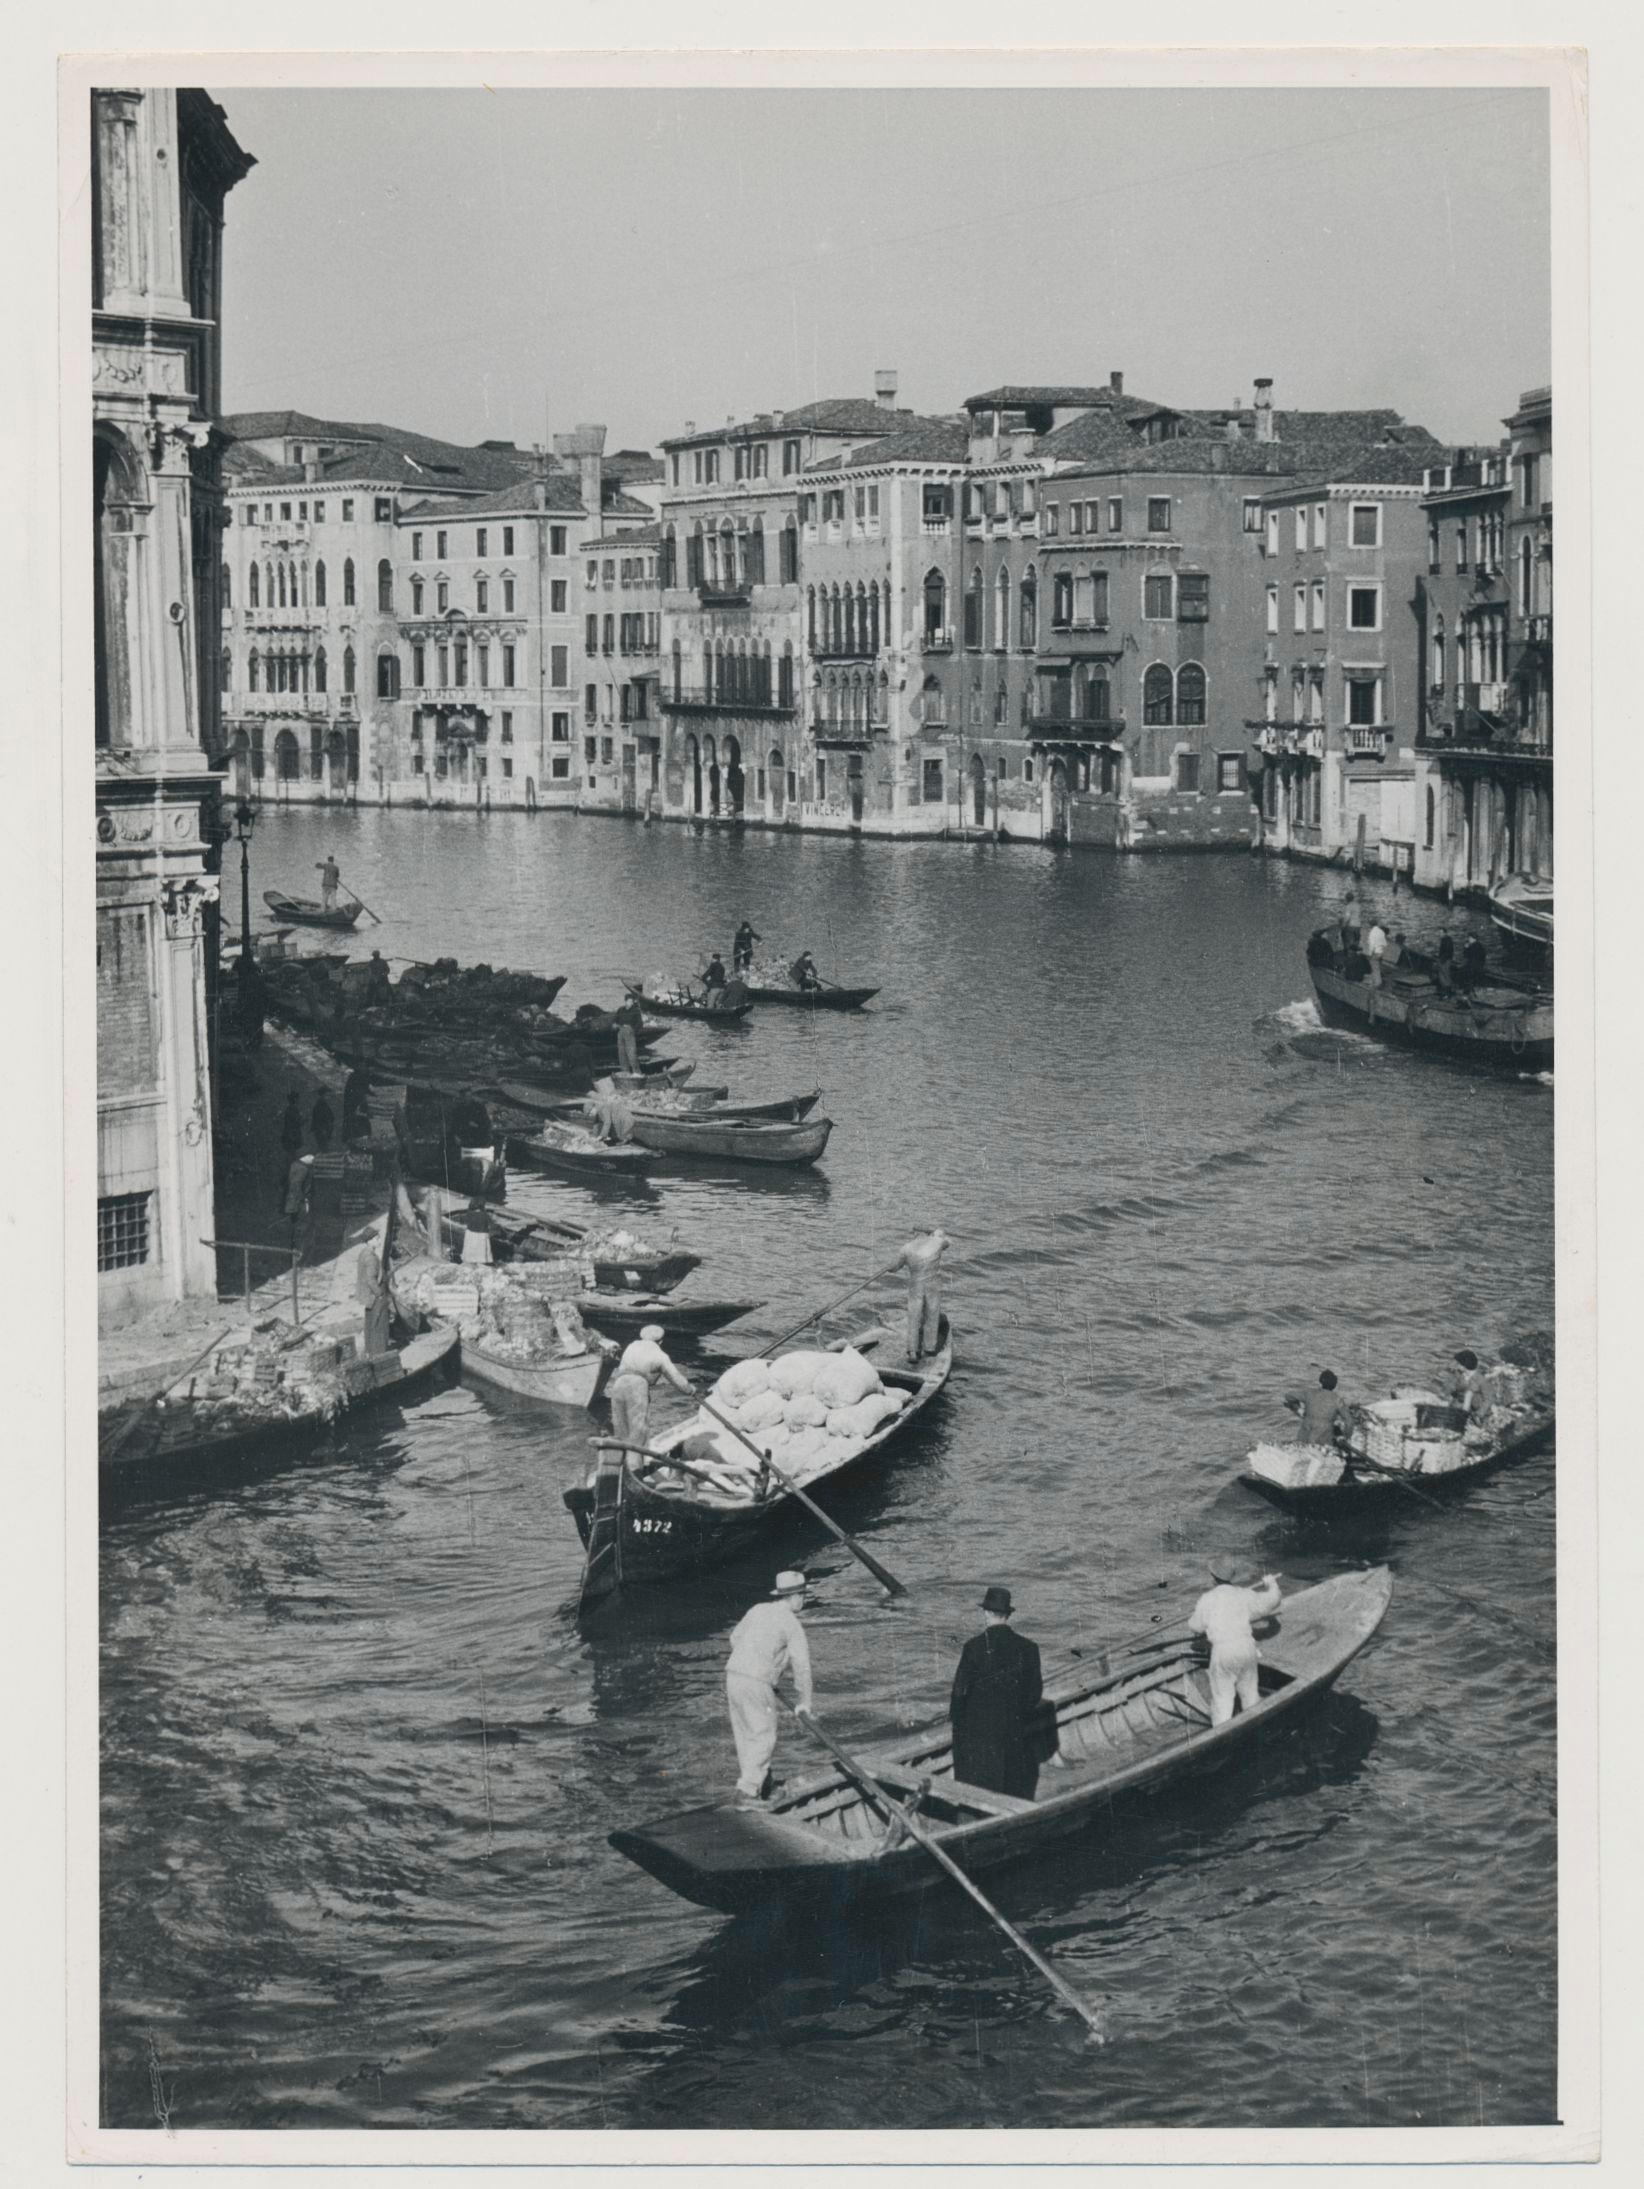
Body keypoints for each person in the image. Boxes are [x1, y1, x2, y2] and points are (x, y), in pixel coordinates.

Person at [725, 1570, 815, 1803]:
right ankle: (746, 1792)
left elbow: (735, 1638)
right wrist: (804, 1703)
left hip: (733, 1674)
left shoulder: (758, 1609)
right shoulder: (792, 1624)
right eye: (802, 1595)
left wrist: (755, 1664)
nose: (803, 1600)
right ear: (795, 1597)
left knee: (746, 1733)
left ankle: (764, 1786)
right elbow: (802, 1667)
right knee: (764, 1735)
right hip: (756, 1681)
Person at [949, 1585, 1044, 1799]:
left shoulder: (972, 1647)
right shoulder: (1029, 1648)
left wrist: (957, 1720)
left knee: (977, 1779)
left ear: (986, 1613)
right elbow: (1034, 1694)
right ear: (1008, 1615)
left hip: (978, 1734)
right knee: (1011, 1783)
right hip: (1013, 1730)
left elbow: (959, 1693)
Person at [1189, 1559, 1283, 1727]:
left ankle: (1221, 1733)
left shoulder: (1207, 1599)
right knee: (1250, 1695)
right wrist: (1271, 1584)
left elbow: (1195, 1626)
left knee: (1222, 1700)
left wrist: (1197, 1616)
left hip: (1223, 1651)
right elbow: (1271, 1602)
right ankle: (1254, 1728)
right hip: (1246, 1648)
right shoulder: (1244, 1594)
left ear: (1213, 1578)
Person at [607, 1322, 693, 1452]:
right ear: (661, 1341)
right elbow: (676, 1379)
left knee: (620, 1431)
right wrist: (690, 1389)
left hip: (618, 1384)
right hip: (637, 1385)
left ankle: (621, 1465)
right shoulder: (660, 1355)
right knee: (638, 1433)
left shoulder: (631, 1346)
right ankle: (636, 1468)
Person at [897, 1227, 952, 1364]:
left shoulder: (906, 1248)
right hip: (933, 1285)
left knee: (914, 1317)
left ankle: (913, 1352)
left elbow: (895, 1267)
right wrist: (938, 1234)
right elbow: (948, 1242)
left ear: (915, 1234)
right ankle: (928, 1348)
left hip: (916, 1286)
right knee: (932, 1315)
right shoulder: (937, 1242)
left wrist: (889, 1267)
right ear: (928, 1234)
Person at [1285, 1369, 1350, 1448]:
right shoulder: (1337, 1399)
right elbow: (1349, 1421)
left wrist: (1298, 1408)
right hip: (1323, 1440)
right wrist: (1346, 1436)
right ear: (1334, 1385)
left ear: (1320, 1382)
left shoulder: (1309, 1393)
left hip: (1304, 1437)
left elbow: (1288, 1396)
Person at [355, 1242, 393, 1357]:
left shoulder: (363, 1253)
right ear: (370, 1240)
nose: (379, 1240)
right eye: (376, 1238)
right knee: (380, 1324)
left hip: (368, 1296)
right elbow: (371, 1280)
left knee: (370, 1323)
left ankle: (370, 1351)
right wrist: (380, 1293)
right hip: (375, 1295)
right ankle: (380, 1352)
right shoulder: (371, 1258)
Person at [283, 1152, 314, 1247]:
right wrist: (305, 1201)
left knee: (296, 1227)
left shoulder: (294, 1165)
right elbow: (297, 1187)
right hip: (301, 1203)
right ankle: (299, 1252)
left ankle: (295, 1250)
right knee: (302, 1228)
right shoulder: (303, 1169)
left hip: (293, 1203)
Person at [614, 994, 644, 1077]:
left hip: (629, 1033)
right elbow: (615, 1020)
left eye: (632, 1001)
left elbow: (640, 1023)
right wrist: (615, 1025)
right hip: (620, 1032)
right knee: (621, 1053)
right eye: (629, 1001)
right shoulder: (620, 1010)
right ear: (625, 1001)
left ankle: (637, 1073)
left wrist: (632, 1030)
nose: (631, 1003)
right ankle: (625, 1072)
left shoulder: (636, 1011)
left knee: (631, 1054)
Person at [342, 1060, 371, 1143]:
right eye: (362, 1066)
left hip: (357, 1107)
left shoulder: (360, 1076)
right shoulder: (355, 1077)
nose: (364, 1068)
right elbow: (357, 1092)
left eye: (364, 1066)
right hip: (354, 1107)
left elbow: (364, 1088)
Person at [460, 1198, 493, 1267]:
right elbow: (491, 1224)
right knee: (481, 1252)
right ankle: (481, 1263)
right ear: (482, 1206)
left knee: (470, 1250)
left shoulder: (469, 1213)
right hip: (482, 1236)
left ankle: (469, 1261)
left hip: (470, 1235)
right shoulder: (485, 1215)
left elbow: (463, 1220)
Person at [310, 1087, 336, 1153]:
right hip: (322, 1131)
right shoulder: (320, 1105)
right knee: (324, 1149)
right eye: (327, 1095)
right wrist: (323, 1130)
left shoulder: (323, 1104)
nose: (329, 1097)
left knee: (323, 1149)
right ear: (323, 1095)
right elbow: (319, 1119)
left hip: (324, 1130)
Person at [1365, 920, 1389, 987]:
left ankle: (1377, 983)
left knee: (1374, 968)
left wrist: (1369, 954)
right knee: (1377, 967)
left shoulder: (1373, 933)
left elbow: (1371, 945)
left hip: (1375, 953)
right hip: (1380, 953)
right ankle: (1376, 981)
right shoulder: (1380, 933)